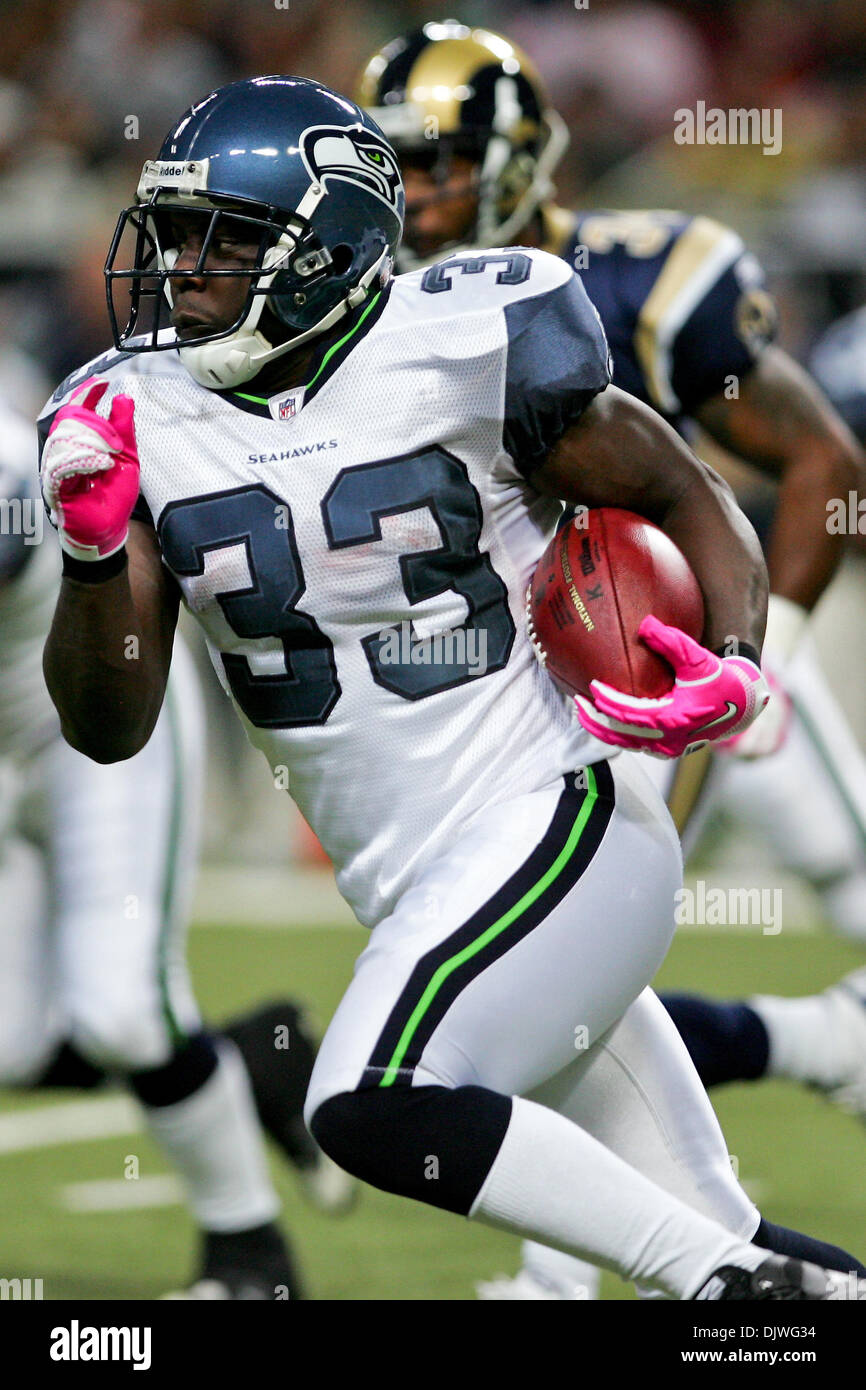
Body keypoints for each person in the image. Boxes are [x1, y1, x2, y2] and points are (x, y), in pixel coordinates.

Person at [37, 73, 864, 1301]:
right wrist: (97, 556)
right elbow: (108, 727)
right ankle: (763, 1288)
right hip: (421, 881)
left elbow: (685, 493)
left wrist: (736, 662)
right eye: (169, 233)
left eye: (224, 238)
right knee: (723, 1224)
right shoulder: (132, 411)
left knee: (369, 1097)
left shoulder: (468, 338)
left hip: (560, 820)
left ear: (322, 252)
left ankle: (715, 1288)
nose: (179, 268)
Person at [356, 19, 866, 1299]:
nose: (414, 192)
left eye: (440, 161)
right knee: (568, 978)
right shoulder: (365, 308)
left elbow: (823, 465)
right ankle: (618, 1250)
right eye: (394, 161)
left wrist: (766, 663)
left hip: (700, 659)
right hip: (536, 700)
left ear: (522, 154)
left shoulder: (641, 272)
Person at [0, 393, 351, 1300]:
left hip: (94, 728)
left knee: (121, 1010)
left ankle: (249, 1255)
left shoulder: (8, 466)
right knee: (12, 1042)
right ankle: (250, 1058)